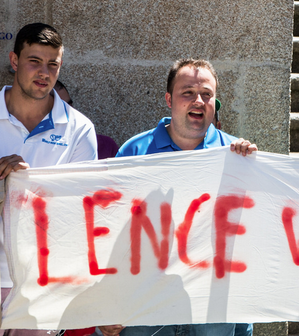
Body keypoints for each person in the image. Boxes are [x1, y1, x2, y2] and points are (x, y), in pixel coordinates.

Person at [98, 58, 256, 336]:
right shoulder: (134, 151)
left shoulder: (236, 155)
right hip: (144, 302)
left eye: (207, 94)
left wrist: (254, 170)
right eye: (188, 93)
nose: (198, 100)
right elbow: (109, 229)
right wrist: (108, 301)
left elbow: (256, 230)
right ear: (169, 100)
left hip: (213, 304)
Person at [0, 22, 97, 336]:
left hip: (40, 285)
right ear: (14, 61)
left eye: (52, 64)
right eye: (34, 61)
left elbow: (80, 213)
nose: (44, 72)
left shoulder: (79, 129)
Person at [54, 80, 120, 159]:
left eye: (69, 105)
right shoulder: (38, 148)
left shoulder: (105, 146)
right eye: (59, 107)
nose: (68, 112)